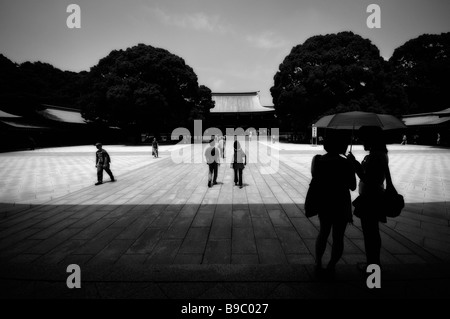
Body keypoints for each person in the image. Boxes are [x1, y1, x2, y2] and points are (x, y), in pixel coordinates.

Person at [311, 133, 356, 277]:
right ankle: (331, 265)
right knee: (338, 237)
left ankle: (318, 263)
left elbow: (315, 178)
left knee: (323, 232)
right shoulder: (345, 163)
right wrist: (351, 165)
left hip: (325, 200)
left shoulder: (318, 160)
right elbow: (353, 186)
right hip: (341, 201)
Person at [347, 126, 388, 269]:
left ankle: (373, 265)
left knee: (370, 233)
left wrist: (354, 165)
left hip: (371, 197)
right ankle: (373, 262)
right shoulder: (378, 154)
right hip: (373, 195)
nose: (361, 141)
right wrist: (356, 163)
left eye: (363, 138)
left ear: (371, 139)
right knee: (372, 232)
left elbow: (367, 178)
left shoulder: (376, 156)